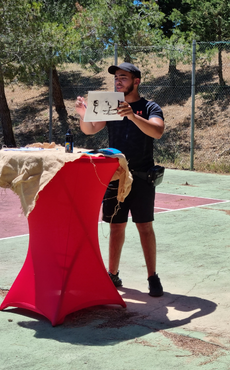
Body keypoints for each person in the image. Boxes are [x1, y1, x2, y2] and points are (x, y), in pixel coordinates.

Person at [75, 62, 165, 297]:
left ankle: (152, 277)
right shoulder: (109, 104)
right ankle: (112, 274)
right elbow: (90, 130)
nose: (118, 81)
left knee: (145, 227)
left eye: (123, 77)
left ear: (136, 81)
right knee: (116, 227)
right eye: (116, 78)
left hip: (142, 176)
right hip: (114, 177)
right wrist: (83, 114)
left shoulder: (149, 106)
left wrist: (133, 116)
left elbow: (157, 131)